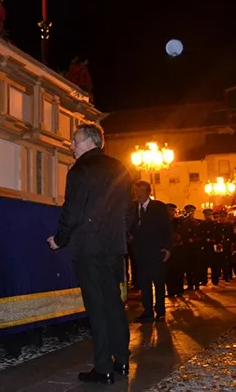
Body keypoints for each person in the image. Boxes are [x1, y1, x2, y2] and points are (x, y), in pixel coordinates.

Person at [47, 123, 133, 385]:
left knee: (96, 307)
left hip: (90, 249)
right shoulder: (120, 169)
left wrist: (59, 240)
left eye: (74, 141)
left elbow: (72, 211)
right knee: (114, 304)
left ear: (88, 142)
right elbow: (129, 213)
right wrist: (120, 236)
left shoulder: (80, 170)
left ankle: (103, 367)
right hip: (114, 248)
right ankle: (122, 360)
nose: (71, 145)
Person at [131, 181, 172, 321]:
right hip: (140, 253)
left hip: (156, 252)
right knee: (144, 283)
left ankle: (160, 310)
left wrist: (168, 248)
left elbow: (167, 229)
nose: (139, 194)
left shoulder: (158, 207)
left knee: (159, 283)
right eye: (137, 191)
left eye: (142, 191)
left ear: (148, 192)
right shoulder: (132, 207)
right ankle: (147, 311)